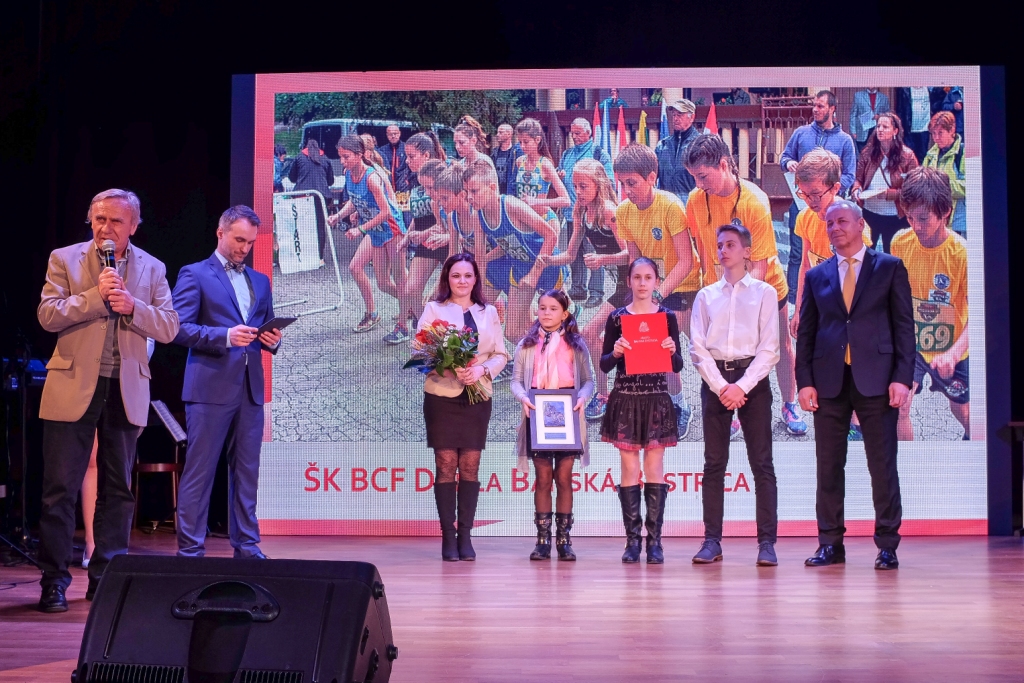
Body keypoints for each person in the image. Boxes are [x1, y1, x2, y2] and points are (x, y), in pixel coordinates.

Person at [36, 189, 179, 612]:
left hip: (125, 387)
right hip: (72, 385)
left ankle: (105, 580)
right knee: (59, 490)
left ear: (133, 225)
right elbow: (48, 314)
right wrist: (96, 298)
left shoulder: (153, 267)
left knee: (118, 491)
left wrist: (133, 306)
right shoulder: (64, 258)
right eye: (99, 219)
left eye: (116, 221)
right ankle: (54, 580)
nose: (106, 228)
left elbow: (169, 327)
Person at [796, 199, 915, 570]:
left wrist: (902, 378)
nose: (835, 228)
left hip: (877, 381)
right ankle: (830, 544)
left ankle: (887, 546)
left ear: (861, 224)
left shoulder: (889, 267)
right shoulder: (817, 275)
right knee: (828, 467)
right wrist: (804, 382)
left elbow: (904, 328)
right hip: (829, 382)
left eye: (842, 221)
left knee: (882, 466)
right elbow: (807, 334)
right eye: (829, 224)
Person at [172, 205, 282, 559]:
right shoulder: (194, 274)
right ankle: (191, 549)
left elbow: (264, 328)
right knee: (200, 471)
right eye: (238, 240)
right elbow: (177, 328)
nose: (244, 248)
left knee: (247, 471)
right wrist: (224, 336)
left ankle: (246, 545)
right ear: (220, 233)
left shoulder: (260, 281)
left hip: (250, 389)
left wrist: (273, 340)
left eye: (249, 243)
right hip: (209, 388)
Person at [685, 134, 806, 437]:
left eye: (703, 176)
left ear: (724, 165)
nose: (698, 184)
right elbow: (702, 249)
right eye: (694, 177)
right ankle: (731, 409)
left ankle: (789, 404)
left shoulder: (754, 201)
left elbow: (760, 266)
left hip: (764, 289)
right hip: (718, 290)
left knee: (778, 347)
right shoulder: (696, 199)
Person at [689, 224, 781, 566]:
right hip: (716, 381)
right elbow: (698, 348)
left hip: (752, 382)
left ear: (747, 251)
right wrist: (721, 386)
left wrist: (741, 386)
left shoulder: (764, 293)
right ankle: (712, 541)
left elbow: (770, 349)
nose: (723, 250)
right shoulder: (705, 296)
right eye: (720, 245)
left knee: (762, 463)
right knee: (714, 463)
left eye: (730, 244)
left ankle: (767, 543)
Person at [419, 253, 509, 561]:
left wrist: (481, 370)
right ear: (447, 278)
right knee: (446, 464)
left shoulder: (489, 312)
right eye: (456, 275)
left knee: (470, 465)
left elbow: (500, 354)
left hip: (477, 397)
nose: (462, 281)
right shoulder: (434, 309)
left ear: (475, 279)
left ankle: (466, 535)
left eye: (468, 275)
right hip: (441, 396)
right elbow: (421, 352)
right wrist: (449, 369)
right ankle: (448, 535)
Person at [613, 143, 701, 438]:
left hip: (683, 284)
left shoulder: (671, 206)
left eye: (632, 183)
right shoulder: (623, 211)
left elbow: (687, 261)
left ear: (651, 178)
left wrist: (657, 295)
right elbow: (635, 258)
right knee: (654, 347)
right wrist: (638, 293)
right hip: (652, 288)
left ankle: (717, 400)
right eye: (622, 184)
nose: (627, 190)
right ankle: (677, 403)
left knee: (696, 347)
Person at [601, 257, 685, 564]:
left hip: (656, 399)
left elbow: (677, 365)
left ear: (656, 282)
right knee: (629, 469)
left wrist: (672, 352)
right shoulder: (617, 318)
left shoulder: (666, 316)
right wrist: (615, 352)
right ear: (629, 281)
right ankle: (632, 541)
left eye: (648, 277)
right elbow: (604, 365)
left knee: (654, 468)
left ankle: (655, 542)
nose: (642, 283)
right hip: (626, 398)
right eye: (637, 277)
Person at [510, 289, 594, 561]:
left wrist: (582, 397)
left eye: (553, 308)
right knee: (543, 478)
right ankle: (543, 540)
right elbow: (515, 380)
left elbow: (588, 381)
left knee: (564, 478)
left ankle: (564, 540)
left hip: (568, 416)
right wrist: (523, 397)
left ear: (564, 313)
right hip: (537, 415)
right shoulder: (527, 344)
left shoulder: (576, 344)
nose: (546, 313)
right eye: (543, 307)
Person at [541, 159, 627, 422]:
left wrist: (603, 260)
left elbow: (630, 254)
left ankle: (611, 393)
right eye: (575, 186)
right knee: (591, 335)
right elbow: (570, 254)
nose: (578, 191)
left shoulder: (610, 212)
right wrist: (547, 260)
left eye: (583, 186)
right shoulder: (580, 210)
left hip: (631, 283)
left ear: (599, 185)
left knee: (593, 333)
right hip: (620, 285)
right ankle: (605, 394)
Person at [891, 167, 970, 440]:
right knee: (900, 406)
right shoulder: (900, 243)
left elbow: (980, 315)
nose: (916, 226)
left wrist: (953, 353)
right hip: (912, 346)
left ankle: (977, 449)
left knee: (961, 410)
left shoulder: (962, 255)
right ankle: (909, 463)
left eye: (923, 218)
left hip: (952, 350)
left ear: (945, 211)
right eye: (910, 217)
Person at [463, 158, 564, 343]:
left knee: (557, 329)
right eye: (467, 191)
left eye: (474, 191)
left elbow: (551, 235)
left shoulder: (511, 205)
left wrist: (534, 274)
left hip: (547, 265)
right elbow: (480, 258)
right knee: (512, 333)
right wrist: (476, 290)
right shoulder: (477, 215)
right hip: (520, 268)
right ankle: (536, 356)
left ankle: (566, 350)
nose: (469, 197)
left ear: (492, 187)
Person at [780, 91, 857, 304]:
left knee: (829, 253)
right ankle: (795, 299)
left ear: (832, 109)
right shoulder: (801, 133)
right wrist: (788, 163)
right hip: (800, 203)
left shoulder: (845, 140)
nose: (815, 110)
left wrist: (828, 191)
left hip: (830, 206)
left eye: (821, 106)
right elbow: (785, 157)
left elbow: (850, 175)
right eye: (814, 105)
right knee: (798, 253)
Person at [327, 135, 408, 338]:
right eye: (340, 157)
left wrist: (361, 229)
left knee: (400, 279)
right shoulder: (348, 174)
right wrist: (339, 215)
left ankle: (406, 321)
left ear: (360, 155)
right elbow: (355, 199)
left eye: (346, 157)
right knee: (382, 283)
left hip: (391, 229)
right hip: (375, 231)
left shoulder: (372, 177)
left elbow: (386, 212)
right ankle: (413, 304)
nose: (342, 161)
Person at [558, 117, 614, 307]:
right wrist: (559, 176)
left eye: (578, 133)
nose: (574, 137)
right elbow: (560, 175)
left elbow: (608, 180)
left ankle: (596, 291)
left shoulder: (599, 153)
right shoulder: (567, 154)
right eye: (572, 133)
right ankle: (578, 288)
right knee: (575, 251)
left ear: (589, 133)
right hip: (572, 211)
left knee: (593, 251)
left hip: (594, 212)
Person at [397, 137, 449, 331]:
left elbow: (448, 220)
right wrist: (407, 236)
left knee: (440, 295)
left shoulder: (441, 175)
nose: (407, 161)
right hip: (425, 238)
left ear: (426, 155)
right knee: (411, 289)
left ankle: (440, 332)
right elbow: (416, 215)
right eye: (406, 156)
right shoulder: (415, 180)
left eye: (411, 156)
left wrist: (426, 233)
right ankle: (427, 330)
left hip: (445, 237)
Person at [851, 112, 919, 252]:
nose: (880, 130)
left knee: (893, 256)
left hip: (895, 216)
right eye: (878, 126)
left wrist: (889, 194)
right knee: (865, 255)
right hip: (869, 212)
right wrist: (856, 190)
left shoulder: (907, 156)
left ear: (895, 131)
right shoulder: (867, 152)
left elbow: (913, 191)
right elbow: (858, 179)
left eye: (885, 127)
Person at [513, 117, 570, 232]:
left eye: (526, 142)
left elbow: (566, 200)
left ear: (537, 139)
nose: (522, 146)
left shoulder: (545, 164)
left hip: (545, 221)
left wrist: (536, 201)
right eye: (520, 142)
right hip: (525, 221)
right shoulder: (520, 161)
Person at [287, 138, 335, 263]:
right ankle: (320, 257)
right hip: (320, 197)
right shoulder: (325, 159)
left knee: (302, 226)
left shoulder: (299, 157)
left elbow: (291, 177)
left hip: (302, 196)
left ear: (305, 147)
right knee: (320, 227)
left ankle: (303, 256)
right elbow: (330, 181)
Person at [922, 111, 966, 237]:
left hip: (959, 222)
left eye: (940, 133)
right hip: (936, 220)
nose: (936, 138)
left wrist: (941, 185)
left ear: (952, 130)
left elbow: (970, 186)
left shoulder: (963, 153)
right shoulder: (930, 155)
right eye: (933, 133)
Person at [654, 99, 701, 206]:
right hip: (666, 207)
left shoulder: (700, 145)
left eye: (680, 115)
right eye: (674, 115)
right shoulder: (663, 145)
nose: (675, 118)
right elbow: (652, 176)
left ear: (692, 117)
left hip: (692, 207)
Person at [894, 86, 935, 162]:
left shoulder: (930, 88)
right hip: (909, 129)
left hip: (924, 128)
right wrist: (901, 128)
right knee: (909, 157)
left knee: (923, 156)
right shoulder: (904, 89)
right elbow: (900, 109)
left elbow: (937, 102)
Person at [849, 88, 891, 156]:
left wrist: (880, 116)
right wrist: (853, 131)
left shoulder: (884, 98)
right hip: (862, 130)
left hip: (877, 129)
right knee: (862, 154)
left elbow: (888, 115)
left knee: (877, 154)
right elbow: (853, 115)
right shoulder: (858, 96)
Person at [380, 124, 413, 201]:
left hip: (405, 188)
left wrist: (408, 181)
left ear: (399, 133)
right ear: (387, 135)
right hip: (388, 189)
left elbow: (412, 168)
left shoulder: (407, 148)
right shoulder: (382, 151)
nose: (393, 136)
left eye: (395, 133)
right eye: (390, 134)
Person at [491, 123, 522, 196]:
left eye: (500, 132)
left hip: (511, 193)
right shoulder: (494, 153)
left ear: (509, 134)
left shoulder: (516, 153)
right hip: (497, 192)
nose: (497, 135)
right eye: (497, 132)